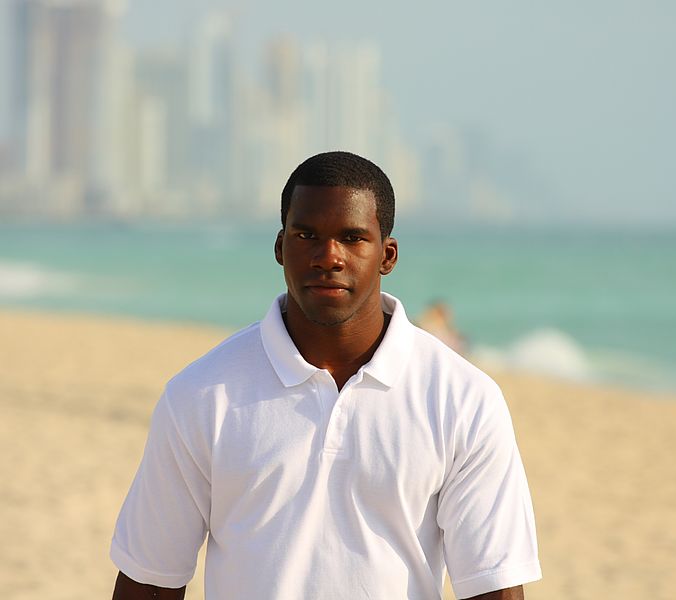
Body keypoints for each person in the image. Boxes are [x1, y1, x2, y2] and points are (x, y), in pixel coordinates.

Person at [110, 151, 541, 600]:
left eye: (353, 238)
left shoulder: (464, 399)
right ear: (280, 248)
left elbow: (494, 585)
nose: (328, 256)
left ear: (387, 255)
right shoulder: (200, 395)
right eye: (306, 235)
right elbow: (150, 579)